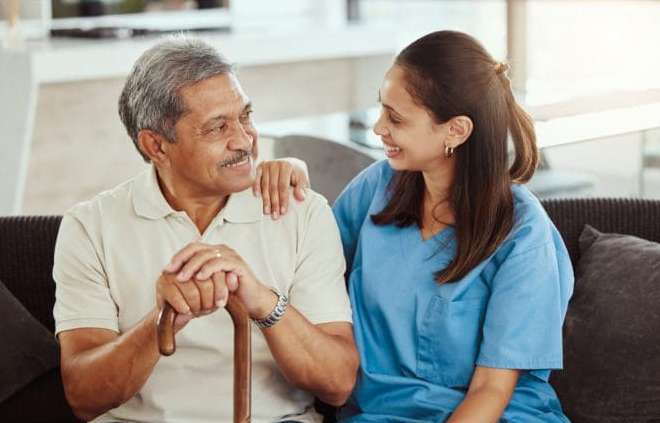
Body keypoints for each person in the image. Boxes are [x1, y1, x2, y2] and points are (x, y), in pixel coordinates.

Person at [256, 30, 574, 422]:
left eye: (396, 118)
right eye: (381, 110)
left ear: (455, 131)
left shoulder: (522, 233)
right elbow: (308, 266)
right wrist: (296, 178)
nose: (377, 128)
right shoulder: (375, 189)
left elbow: (490, 391)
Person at [52, 35, 359, 423]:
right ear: (156, 147)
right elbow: (83, 396)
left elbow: (338, 383)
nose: (244, 139)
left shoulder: (303, 212)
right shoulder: (89, 226)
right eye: (217, 128)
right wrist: (164, 321)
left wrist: (263, 301)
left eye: (245, 116)